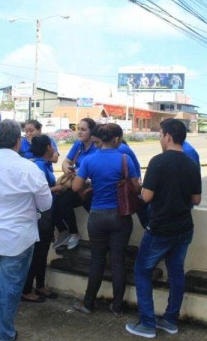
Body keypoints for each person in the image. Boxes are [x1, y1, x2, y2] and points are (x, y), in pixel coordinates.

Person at [0, 119, 52, 341]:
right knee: (8, 290)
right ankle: (3, 335)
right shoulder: (28, 168)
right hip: (17, 239)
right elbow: (45, 204)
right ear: (18, 141)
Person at [126, 118, 202, 338]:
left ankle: (147, 324)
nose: (160, 139)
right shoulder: (191, 163)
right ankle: (170, 320)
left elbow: (147, 196)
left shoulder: (158, 162)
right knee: (176, 272)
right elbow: (196, 199)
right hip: (184, 228)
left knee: (142, 271)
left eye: (160, 135)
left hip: (160, 229)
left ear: (168, 136)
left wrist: (139, 190)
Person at [72, 123, 138, 317]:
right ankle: (117, 306)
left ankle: (88, 304)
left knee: (97, 261)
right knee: (118, 262)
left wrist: (92, 181)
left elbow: (76, 187)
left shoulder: (89, 161)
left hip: (97, 216)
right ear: (116, 139)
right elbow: (137, 188)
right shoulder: (125, 159)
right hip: (120, 216)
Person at [21, 135, 64, 303]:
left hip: (45, 214)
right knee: (37, 253)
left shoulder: (44, 165)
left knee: (43, 251)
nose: (55, 149)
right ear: (48, 147)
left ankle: (40, 285)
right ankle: (26, 289)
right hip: (39, 215)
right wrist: (58, 188)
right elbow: (38, 191)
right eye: (53, 146)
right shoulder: (38, 166)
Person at [54, 118, 98, 250]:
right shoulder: (78, 145)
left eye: (83, 130)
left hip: (89, 186)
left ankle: (79, 234)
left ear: (92, 132)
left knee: (66, 202)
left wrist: (81, 172)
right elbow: (66, 161)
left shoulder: (96, 147)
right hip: (76, 182)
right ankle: (70, 232)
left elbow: (96, 168)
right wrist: (67, 168)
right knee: (56, 201)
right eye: (78, 129)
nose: (79, 132)